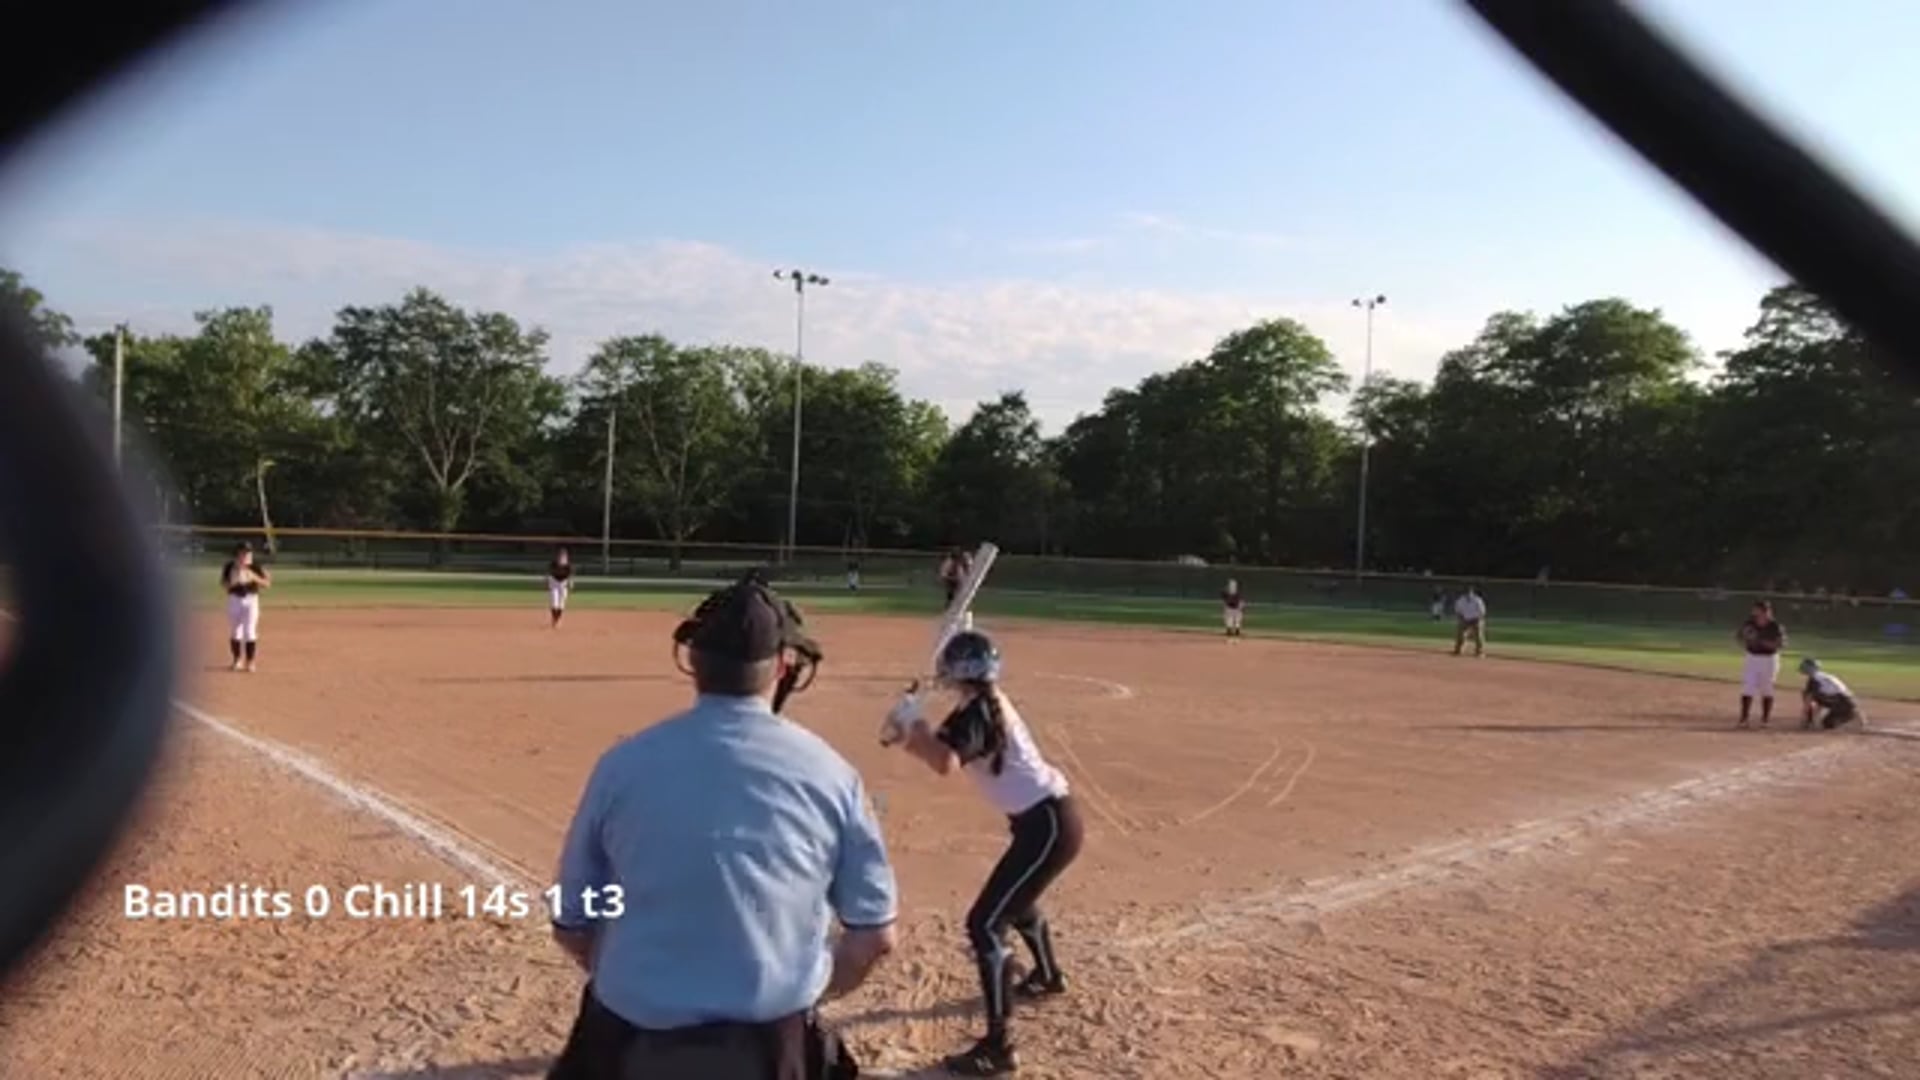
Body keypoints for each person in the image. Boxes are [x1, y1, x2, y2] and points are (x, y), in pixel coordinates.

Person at [547, 573, 896, 1080]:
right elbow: (874, 937)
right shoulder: (832, 774)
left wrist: (641, 979)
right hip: (771, 1048)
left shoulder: (623, 765)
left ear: (693, 662)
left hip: (632, 1043)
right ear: (784, 667)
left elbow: (572, 921)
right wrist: (809, 991)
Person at [882, 628, 1085, 1077]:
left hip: (1048, 826)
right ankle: (1048, 976)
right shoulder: (979, 708)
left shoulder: (978, 713)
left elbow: (944, 762)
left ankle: (999, 1047)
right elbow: (937, 751)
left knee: (987, 924)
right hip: (1046, 823)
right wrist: (906, 731)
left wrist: (913, 724)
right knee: (1018, 899)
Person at [219, 541, 271, 672]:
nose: (246, 555)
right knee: (235, 631)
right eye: (243, 552)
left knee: (250, 631)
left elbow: (267, 584)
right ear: (237, 553)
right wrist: (234, 581)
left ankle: (250, 662)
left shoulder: (256, 566)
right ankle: (237, 660)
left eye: (248, 552)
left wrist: (253, 577)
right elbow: (224, 585)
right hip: (234, 600)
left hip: (251, 600)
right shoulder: (229, 566)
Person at [1735, 600, 1787, 728]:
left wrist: (1761, 641)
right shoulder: (1749, 623)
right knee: (1748, 686)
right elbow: (1739, 637)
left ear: (1766, 612)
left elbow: (1781, 644)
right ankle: (1744, 719)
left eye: (1758, 610)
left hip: (1769, 659)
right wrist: (1746, 641)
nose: (1755, 613)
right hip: (1752, 658)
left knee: (1767, 688)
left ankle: (1765, 720)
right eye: (1755, 610)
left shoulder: (1775, 626)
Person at [1798, 657, 1867, 730]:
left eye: (1805, 666)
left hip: (1843, 704)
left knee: (1827, 723)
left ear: (1810, 668)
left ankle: (1850, 721)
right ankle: (1855, 716)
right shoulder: (1826, 676)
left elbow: (1808, 704)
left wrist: (1805, 721)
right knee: (1814, 696)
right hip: (1851, 702)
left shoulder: (1814, 681)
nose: (1803, 668)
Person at [1452, 585, 1487, 657]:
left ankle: (1479, 651)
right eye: (1467, 593)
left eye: (1470, 593)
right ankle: (1459, 649)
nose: (1468, 594)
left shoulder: (1477, 600)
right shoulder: (1461, 600)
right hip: (1465, 619)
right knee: (1460, 634)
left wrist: (1479, 619)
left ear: (1472, 593)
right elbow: (1458, 611)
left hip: (1476, 619)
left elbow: (1482, 611)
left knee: (1478, 635)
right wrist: (1461, 619)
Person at [547, 547, 574, 629]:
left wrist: (571, 583)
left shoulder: (568, 566)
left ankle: (557, 619)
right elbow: (549, 575)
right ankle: (554, 619)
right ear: (558, 557)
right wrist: (547, 582)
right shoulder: (554, 564)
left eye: (564, 556)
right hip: (554, 583)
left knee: (561, 603)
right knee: (554, 603)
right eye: (561, 556)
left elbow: (570, 576)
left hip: (563, 584)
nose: (562, 558)